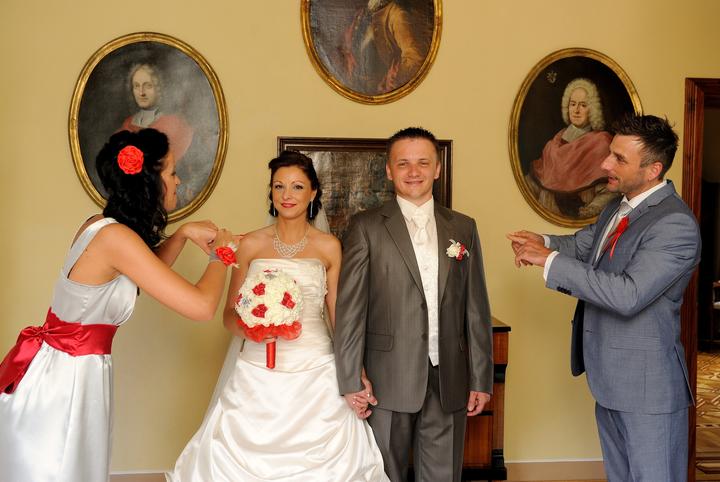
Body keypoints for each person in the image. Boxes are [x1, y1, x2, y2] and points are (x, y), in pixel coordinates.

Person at [0, 128, 238, 482]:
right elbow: (202, 307)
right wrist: (222, 253)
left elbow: (145, 272)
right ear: (149, 182)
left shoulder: (102, 227)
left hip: (67, 369)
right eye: (172, 172)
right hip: (65, 380)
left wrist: (183, 233)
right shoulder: (116, 238)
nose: (177, 180)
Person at [167, 150, 388, 481]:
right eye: (279, 186)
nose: (287, 195)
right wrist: (253, 329)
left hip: (317, 369)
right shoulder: (249, 245)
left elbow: (340, 318)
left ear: (313, 193)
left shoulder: (329, 246)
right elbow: (228, 315)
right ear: (270, 191)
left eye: (297, 187)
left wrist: (357, 371)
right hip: (258, 369)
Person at [508, 114, 700, 481]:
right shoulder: (617, 206)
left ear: (653, 169)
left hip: (648, 390)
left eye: (619, 159)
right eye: (610, 152)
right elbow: (584, 246)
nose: (605, 164)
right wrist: (542, 241)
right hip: (611, 382)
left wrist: (549, 261)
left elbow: (628, 294)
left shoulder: (674, 225)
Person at [334, 127, 494, 481]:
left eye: (423, 162)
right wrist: (350, 378)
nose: (413, 171)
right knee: (383, 474)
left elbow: (476, 309)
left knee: (443, 475)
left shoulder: (463, 227)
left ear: (437, 168)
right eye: (403, 163)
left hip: (450, 378)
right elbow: (350, 312)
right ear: (389, 170)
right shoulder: (366, 227)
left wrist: (481, 378)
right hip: (386, 378)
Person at [527, 78, 617, 218]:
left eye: (583, 105)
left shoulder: (602, 143)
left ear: (593, 109)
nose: (576, 110)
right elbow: (535, 182)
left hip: (581, 218)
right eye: (572, 104)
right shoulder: (553, 144)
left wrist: (589, 211)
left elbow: (610, 191)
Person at [120, 63, 199, 209]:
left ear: (159, 88)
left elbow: (189, 170)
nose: (141, 92)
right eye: (136, 86)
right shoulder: (126, 125)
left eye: (148, 86)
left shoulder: (175, 124)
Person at [340, 0, 426, 95]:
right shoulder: (362, 13)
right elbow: (347, 47)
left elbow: (414, 58)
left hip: (381, 93)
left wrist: (394, 78)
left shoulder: (396, 15)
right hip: (356, 90)